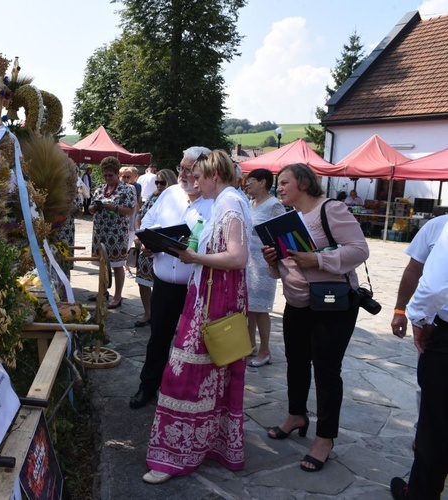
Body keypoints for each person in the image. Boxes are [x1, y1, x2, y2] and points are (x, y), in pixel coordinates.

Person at [143, 149, 252, 484]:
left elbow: (237, 257)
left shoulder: (229, 203)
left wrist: (193, 257)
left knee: (185, 374)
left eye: (199, 176)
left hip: (214, 300)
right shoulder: (227, 201)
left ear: (214, 176)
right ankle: (206, 444)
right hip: (211, 294)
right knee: (211, 376)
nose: (194, 182)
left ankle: (176, 453)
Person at [262, 163, 369, 472]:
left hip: (332, 307)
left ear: (304, 184)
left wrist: (318, 258)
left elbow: (360, 250)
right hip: (297, 304)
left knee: (326, 371)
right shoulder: (284, 220)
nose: (278, 188)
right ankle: (296, 415)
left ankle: (325, 437)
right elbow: (283, 270)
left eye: (284, 182)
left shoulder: (330, 210)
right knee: (296, 363)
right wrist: (272, 261)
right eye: (277, 184)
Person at [128, 146, 213, 409]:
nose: (183, 174)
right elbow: (149, 222)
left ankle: (186, 392)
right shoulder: (170, 193)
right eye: (181, 168)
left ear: (203, 170)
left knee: (194, 344)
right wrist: (148, 242)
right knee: (158, 338)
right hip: (164, 282)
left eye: (189, 170)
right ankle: (148, 386)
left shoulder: (215, 201)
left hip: (197, 286)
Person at [390, 220, 448, 500]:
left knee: (435, 424)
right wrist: (401, 308)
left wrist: (420, 317)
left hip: (443, 335)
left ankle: (421, 494)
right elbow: (415, 269)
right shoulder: (436, 226)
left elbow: (435, 287)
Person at [245, 168, 286, 367]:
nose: (246, 185)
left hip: (264, 262)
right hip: (248, 262)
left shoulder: (274, 205)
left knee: (261, 309)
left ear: (263, 182)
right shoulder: (250, 203)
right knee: (249, 307)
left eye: (250, 181)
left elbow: (281, 235)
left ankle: (265, 349)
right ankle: (250, 343)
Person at [90, 156, 137, 309]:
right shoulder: (99, 189)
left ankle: (118, 295)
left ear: (117, 173)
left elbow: (130, 210)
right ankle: (102, 292)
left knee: (117, 265)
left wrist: (114, 208)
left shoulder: (127, 189)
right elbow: (90, 208)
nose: (107, 178)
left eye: (110, 175)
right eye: (105, 175)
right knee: (102, 264)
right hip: (100, 232)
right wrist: (94, 208)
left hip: (116, 233)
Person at [133, 169, 178, 328]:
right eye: (156, 182)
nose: (158, 185)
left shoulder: (176, 199)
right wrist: (138, 234)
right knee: (142, 280)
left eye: (162, 182)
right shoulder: (153, 196)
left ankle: (162, 315)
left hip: (162, 247)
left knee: (161, 284)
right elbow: (140, 214)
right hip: (146, 243)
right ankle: (148, 313)